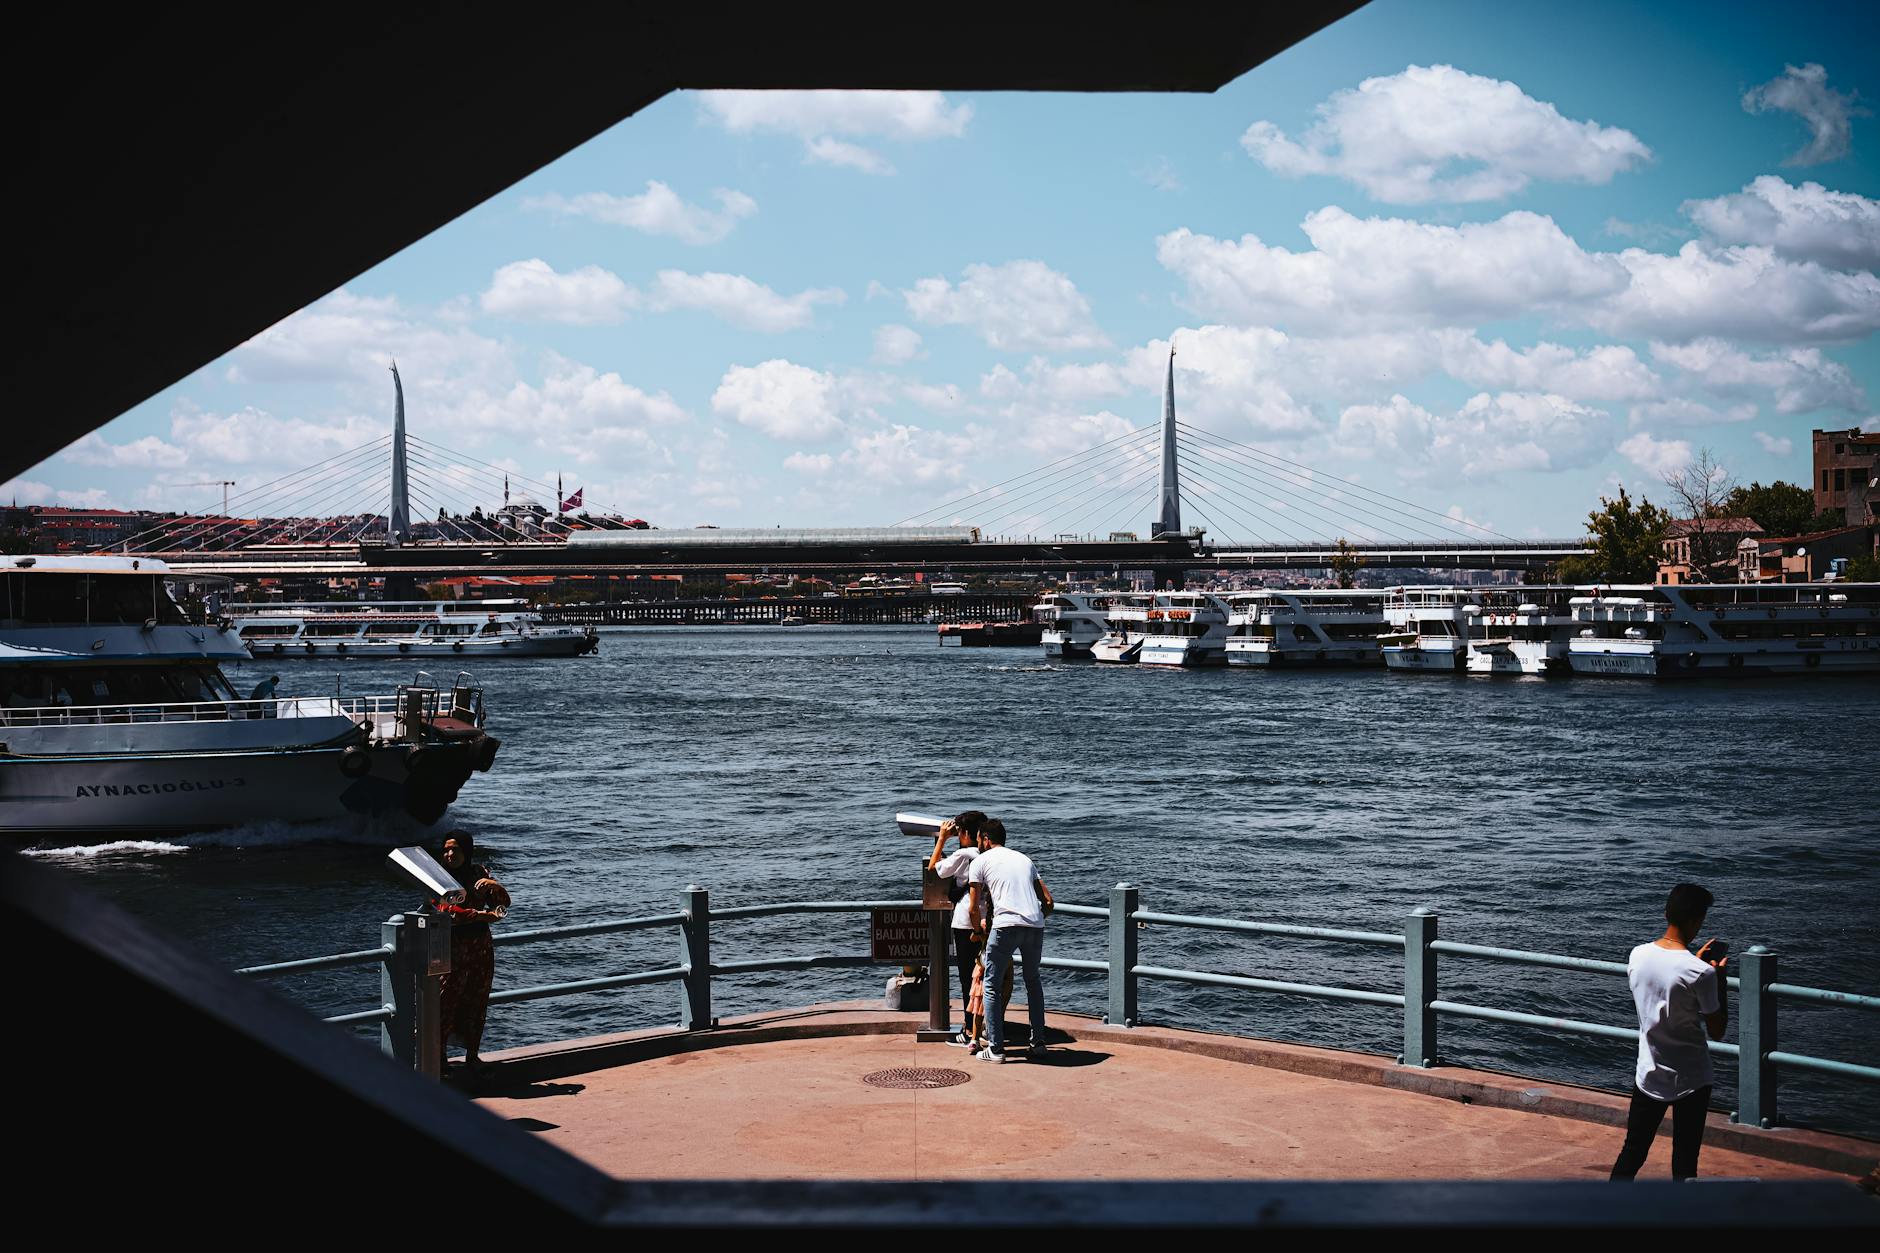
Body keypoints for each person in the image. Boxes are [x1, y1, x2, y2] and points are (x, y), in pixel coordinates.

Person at [1610, 882, 1729, 1181]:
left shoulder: (1637, 955)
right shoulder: (1701, 973)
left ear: (1666, 913)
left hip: (1649, 1072)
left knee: (1633, 1151)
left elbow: (1667, 980)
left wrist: (1694, 963)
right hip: (1691, 1078)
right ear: (1697, 922)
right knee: (1685, 1161)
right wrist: (1719, 981)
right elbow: (1718, 1030)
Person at [967, 818, 1054, 1063]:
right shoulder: (1024, 859)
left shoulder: (980, 861)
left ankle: (995, 1049)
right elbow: (1048, 901)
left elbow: (973, 908)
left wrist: (978, 932)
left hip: (1004, 925)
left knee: (992, 985)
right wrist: (1037, 919)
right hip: (1034, 925)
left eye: (978, 839)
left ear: (985, 838)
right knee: (1033, 982)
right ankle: (1038, 1042)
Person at [433, 830, 511, 1079]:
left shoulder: (479, 874)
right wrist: (481, 916)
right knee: (445, 1002)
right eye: (446, 849)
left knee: (476, 999)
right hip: (452, 948)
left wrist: (495, 885)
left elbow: (503, 906)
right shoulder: (437, 877)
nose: (450, 854)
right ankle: (439, 1058)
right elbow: (446, 910)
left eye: (455, 849)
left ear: (467, 851)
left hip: (480, 947)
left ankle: (472, 1056)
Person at [926, 809, 988, 1047]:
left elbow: (934, 869)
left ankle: (967, 1028)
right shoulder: (986, 854)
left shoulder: (963, 854)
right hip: (986, 921)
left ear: (963, 833)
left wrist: (942, 838)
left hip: (965, 922)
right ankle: (984, 1028)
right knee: (984, 975)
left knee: (966, 978)